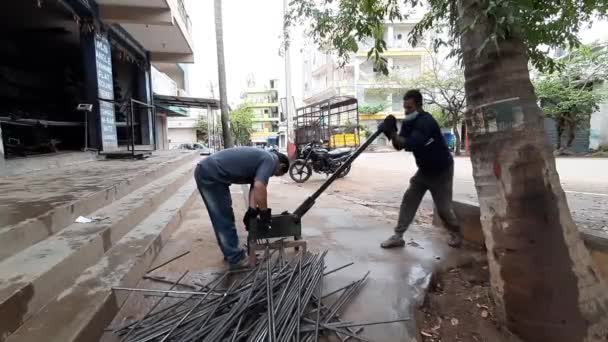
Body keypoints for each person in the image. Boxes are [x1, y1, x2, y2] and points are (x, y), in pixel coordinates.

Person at [378, 89, 463, 248]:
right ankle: (398, 236)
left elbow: (412, 143)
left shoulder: (426, 121)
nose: (406, 111)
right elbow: (399, 145)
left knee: (443, 209)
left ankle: (455, 233)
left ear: (419, 105)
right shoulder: (408, 122)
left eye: (409, 108)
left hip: (441, 171)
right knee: (409, 199)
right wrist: (392, 132)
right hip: (424, 171)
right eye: (405, 108)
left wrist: (393, 133)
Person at [194, 147, 290, 268]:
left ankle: (230, 253)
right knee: (223, 218)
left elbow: (254, 187)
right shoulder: (270, 160)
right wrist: (264, 212)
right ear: (281, 166)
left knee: (224, 215)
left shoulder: (263, 157)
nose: (272, 175)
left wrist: (252, 211)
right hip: (210, 174)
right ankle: (236, 259)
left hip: (210, 172)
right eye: (276, 174)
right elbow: (260, 186)